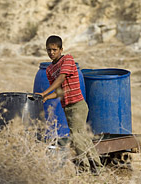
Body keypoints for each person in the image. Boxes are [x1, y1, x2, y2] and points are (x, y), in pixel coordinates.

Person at [36, 35, 102, 174]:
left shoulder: (68, 59)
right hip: (67, 107)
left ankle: (84, 169)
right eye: (49, 50)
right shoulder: (49, 70)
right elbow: (59, 92)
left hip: (77, 105)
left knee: (76, 137)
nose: (51, 53)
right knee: (82, 137)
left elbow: (61, 78)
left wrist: (44, 92)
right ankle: (97, 169)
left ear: (61, 49)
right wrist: (47, 97)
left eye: (54, 49)